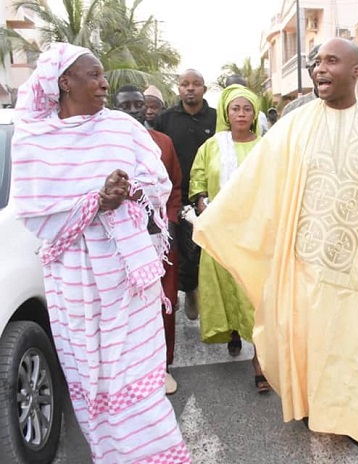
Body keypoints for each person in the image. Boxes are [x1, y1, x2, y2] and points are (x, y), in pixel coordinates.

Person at [193, 38, 358, 447]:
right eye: (317, 62)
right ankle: (310, 407)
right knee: (310, 341)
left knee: (356, 344)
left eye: (332, 61)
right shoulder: (295, 124)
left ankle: (353, 420)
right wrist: (215, 221)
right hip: (305, 260)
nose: (320, 69)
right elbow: (256, 185)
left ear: (357, 71)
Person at [11, 43, 190, 463]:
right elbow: (36, 214)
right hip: (73, 278)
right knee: (92, 377)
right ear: (65, 82)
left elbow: (158, 184)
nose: (104, 83)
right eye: (94, 75)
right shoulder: (34, 138)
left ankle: (157, 454)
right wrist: (96, 202)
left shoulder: (122, 129)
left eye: (104, 74)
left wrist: (129, 193)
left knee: (136, 378)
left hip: (128, 276)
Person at [188, 84, 269, 393]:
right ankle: (232, 331)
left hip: (254, 233)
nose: (241, 114)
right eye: (235, 108)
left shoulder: (265, 146)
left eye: (247, 109)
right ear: (226, 112)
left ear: (254, 114)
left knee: (255, 294)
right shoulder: (212, 145)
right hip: (220, 231)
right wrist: (202, 201)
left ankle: (259, 362)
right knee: (224, 287)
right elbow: (197, 179)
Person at [113, 84, 183, 395]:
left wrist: (168, 221)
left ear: (147, 107)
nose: (132, 111)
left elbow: (175, 188)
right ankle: (134, 370)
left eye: (137, 105)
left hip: (161, 240)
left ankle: (164, 365)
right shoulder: (107, 143)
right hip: (121, 244)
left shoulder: (163, 142)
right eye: (124, 105)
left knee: (164, 303)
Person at [155, 69, 216, 321]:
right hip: (174, 195)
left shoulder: (215, 118)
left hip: (209, 194)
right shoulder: (164, 119)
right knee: (181, 247)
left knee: (208, 249)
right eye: (184, 84)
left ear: (204, 88)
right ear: (178, 89)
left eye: (196, 84)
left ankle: (206, 293)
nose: (190, 89)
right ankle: (189, 290)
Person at [281, 43, 321, 116]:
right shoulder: (293, 110)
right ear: (310, 72)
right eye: (316, 65)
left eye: (331, 63)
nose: (322, 70)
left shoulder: (347, 108)